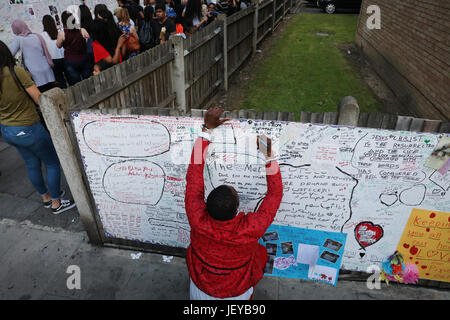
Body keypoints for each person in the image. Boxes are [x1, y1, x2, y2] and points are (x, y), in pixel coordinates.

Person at [185, 107, 283, 300]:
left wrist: (207, 131)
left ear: (206, 205)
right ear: (237, 208)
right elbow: (275, 195)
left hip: (200, 289)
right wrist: (269, 155)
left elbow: (194, 174)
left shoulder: (197, 218)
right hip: (237, 293)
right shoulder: (250, 228)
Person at [0, 41, 76, 214]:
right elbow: (39, 98)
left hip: (7, 130)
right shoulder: (16, 72)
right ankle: (57, 202)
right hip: (29, 128)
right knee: (52, 163)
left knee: (32, 164)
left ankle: (46, 197)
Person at [9, 19, 56, 93]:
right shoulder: (37, 36)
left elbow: (9, 53)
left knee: (43, 97)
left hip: (35, 73)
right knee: (53, 93)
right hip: (47, 69)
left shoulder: (19, 39)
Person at [56, 11, 91, 86]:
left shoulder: (62, 33)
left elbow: (58, 45)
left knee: (76, 84)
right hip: (84, 58)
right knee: (88, 82)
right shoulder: (82, 30)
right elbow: (86, 40)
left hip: (70, 61)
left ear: (63, 21)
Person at [41, 15, 67, 89]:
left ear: (43, 23)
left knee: (60, 81)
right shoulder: (59, 31)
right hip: (64, 57)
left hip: (54, 61)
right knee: (69, 78)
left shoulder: (42, 35)